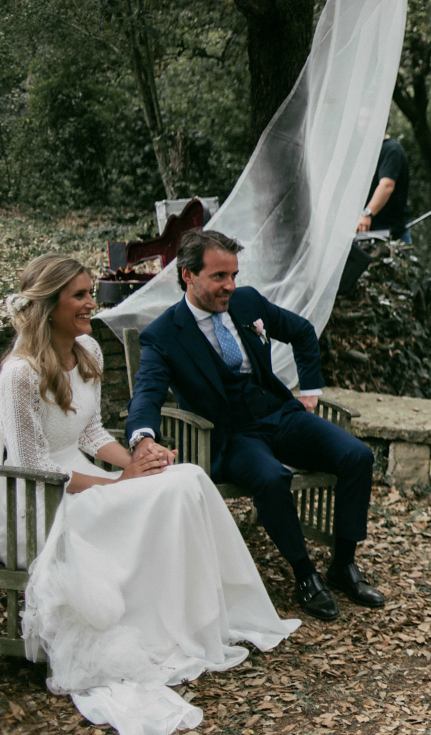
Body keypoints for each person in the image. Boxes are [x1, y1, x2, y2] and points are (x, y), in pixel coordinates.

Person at [0, 254, 300, 735]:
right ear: (48, 305)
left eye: (88, 293)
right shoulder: (18, 374)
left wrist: (142, 458)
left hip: (86, 479)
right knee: (162, 491)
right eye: (79, 296)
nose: (90, 305)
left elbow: (92, 433)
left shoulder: (88, 351)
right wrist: (119, 483)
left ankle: (198, 614)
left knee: (185, 479)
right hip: (43, 501)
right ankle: (159, 618)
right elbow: (34, 466)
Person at [126, 229, 385, 621]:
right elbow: (146, 392)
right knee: (271, 477)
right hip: (229, 435)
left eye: (233, 275)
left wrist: (310, 390)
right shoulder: (164, 335)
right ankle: (305, 575)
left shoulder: (246, 303)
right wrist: (143, 436)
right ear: (188, 275)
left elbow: (301, 332)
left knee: (357, 456)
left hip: (279, 415)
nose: (230, 285)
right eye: (218, 277)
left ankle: (343, 564)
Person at [357, 134, 410, 242]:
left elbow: (387, 186)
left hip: (391, 234)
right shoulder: (366, 150)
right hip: (368, 234)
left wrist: (367, 213)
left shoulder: (391, 149)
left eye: (366, 119)